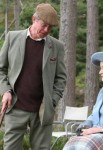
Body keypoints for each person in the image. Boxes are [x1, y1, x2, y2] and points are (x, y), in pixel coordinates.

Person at [0, 3, 66, 150]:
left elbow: (61, 78)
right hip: (15, 107)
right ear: (34, 19)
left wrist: (52, 101)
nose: (46, 30)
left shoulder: (57, 47)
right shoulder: (12, 38)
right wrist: (6, 91)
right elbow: (1, 69)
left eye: (50, 27)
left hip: (42, 112)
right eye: (44, 25)